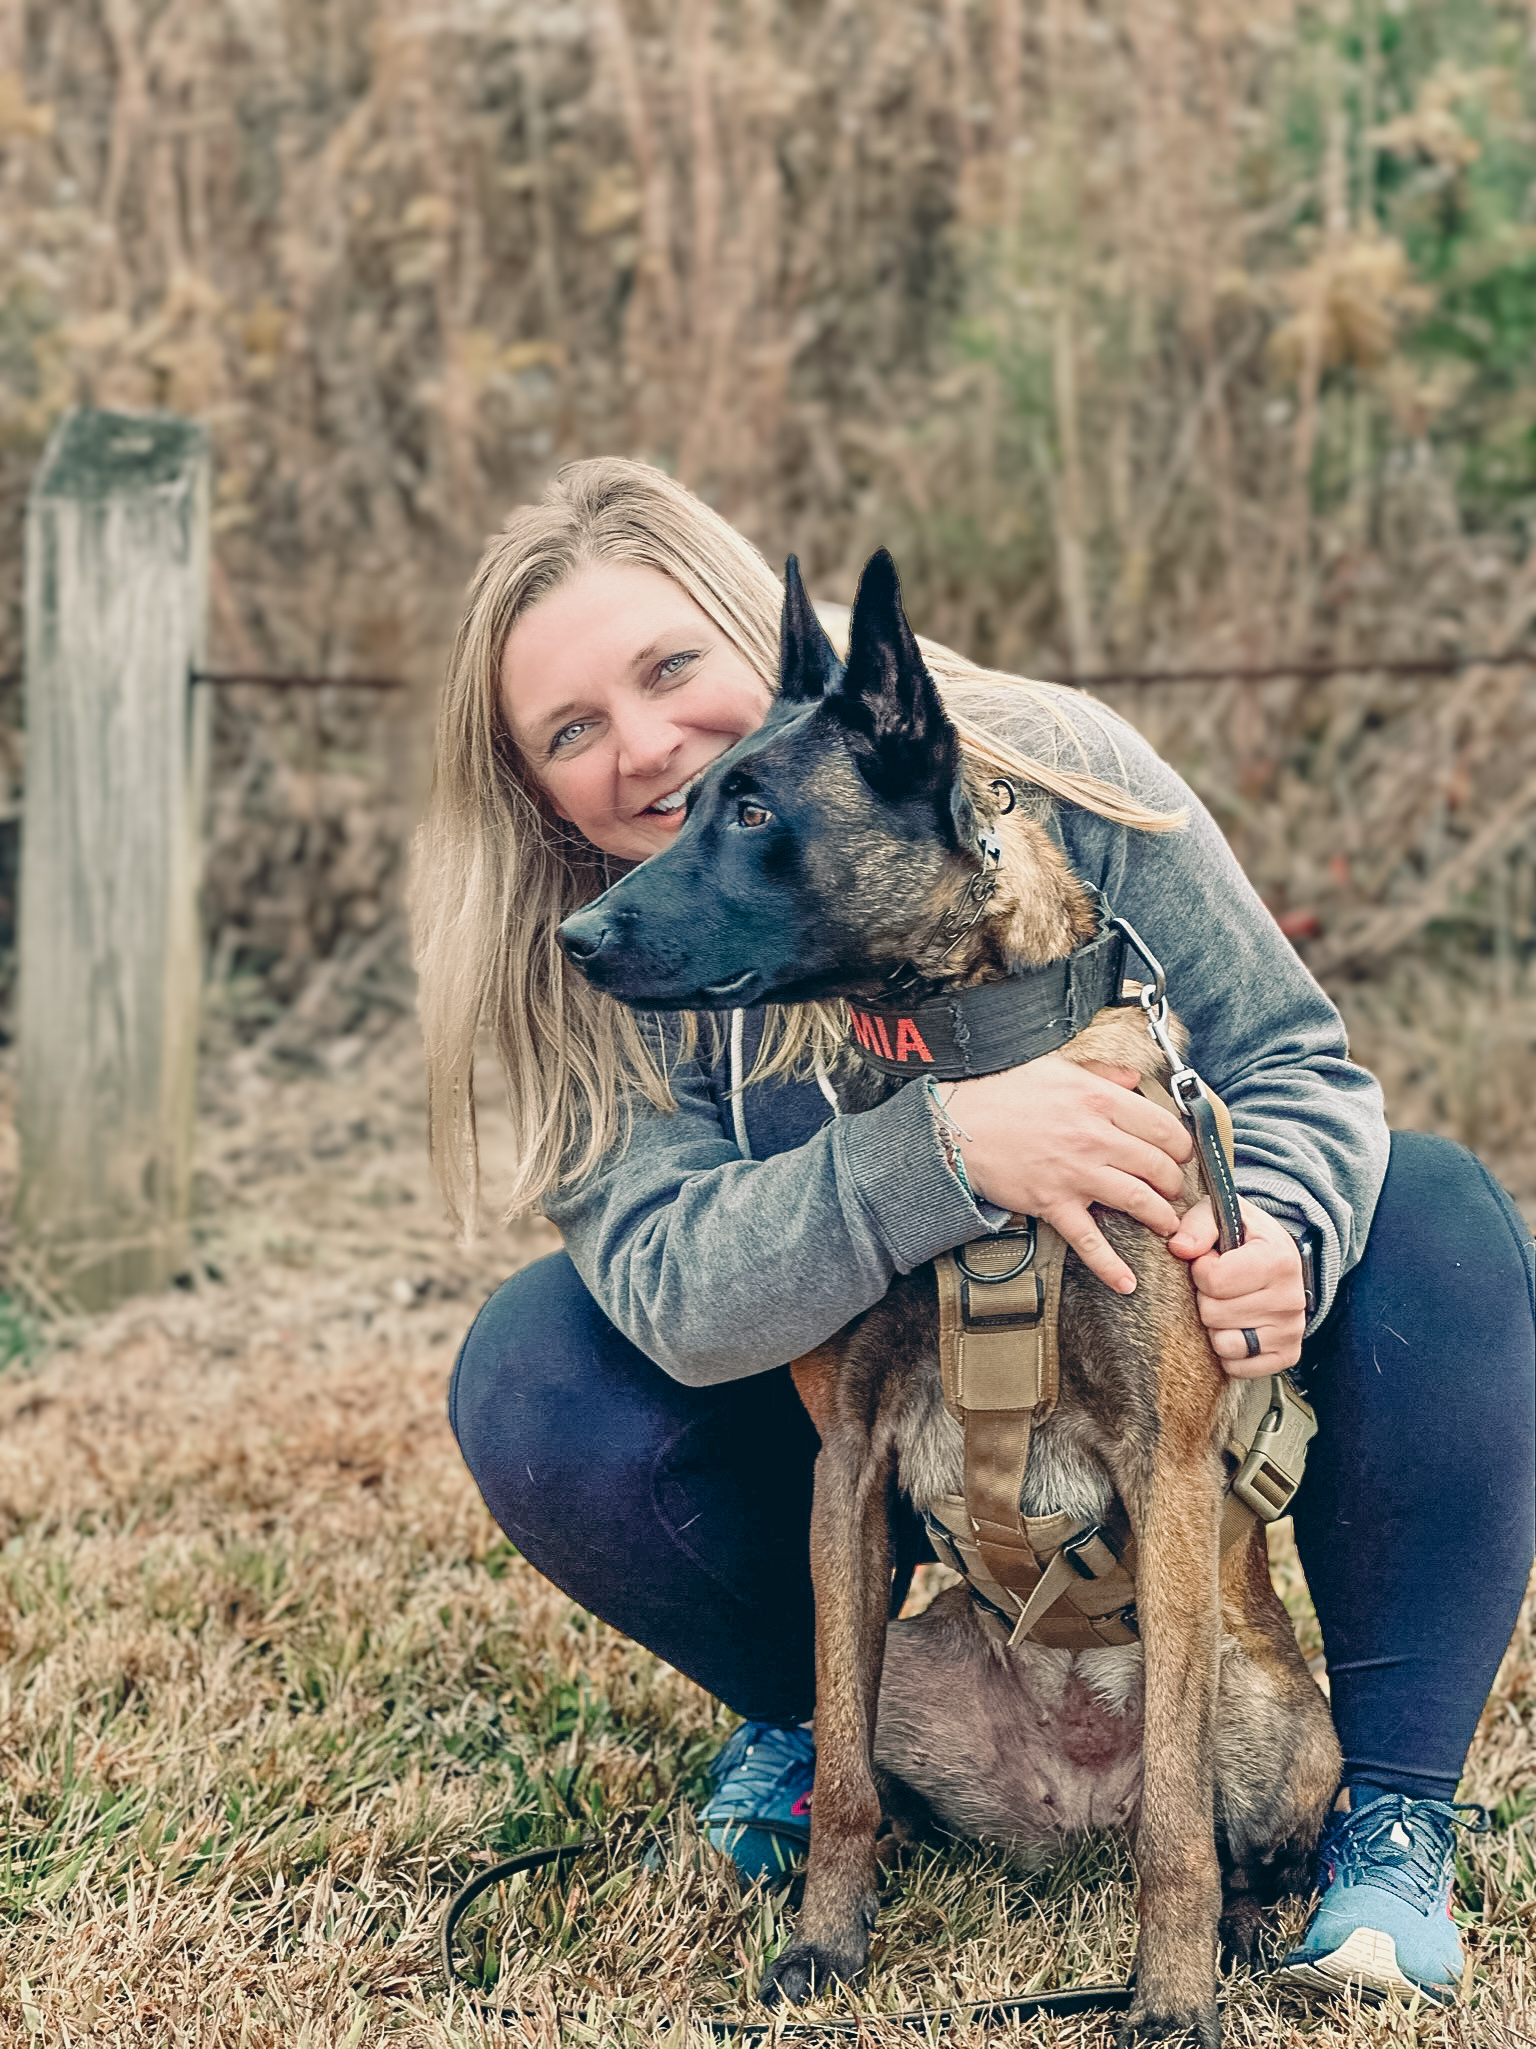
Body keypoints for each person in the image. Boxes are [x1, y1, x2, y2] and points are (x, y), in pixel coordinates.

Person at [413, 456, 1535, 2009]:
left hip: (1155, 1412)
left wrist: (1280, 1226)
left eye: (668, 668)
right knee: (537, 1366)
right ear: (534, 788)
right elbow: (670, 1285)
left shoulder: (1054, 772)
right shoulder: (607, 960)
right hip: (870, 1442)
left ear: (769, 639)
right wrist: (948, 1150)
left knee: (1437, 1211)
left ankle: (1391, 1818)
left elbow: (1294, 1058)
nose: (646, 743)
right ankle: (822, 1725)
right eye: (571, 730)